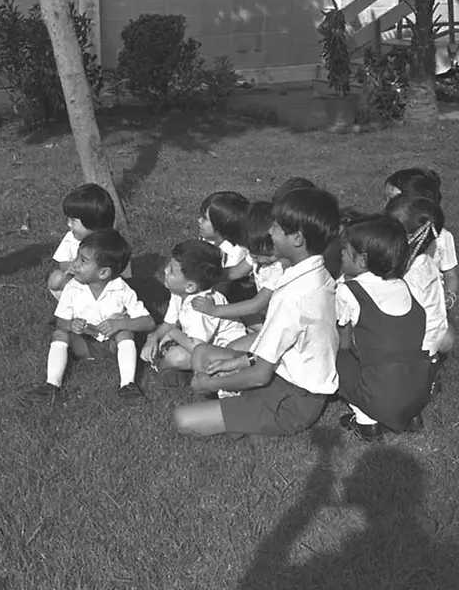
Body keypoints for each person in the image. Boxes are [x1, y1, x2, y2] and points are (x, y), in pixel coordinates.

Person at [173, 188, 341, 439]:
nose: (270, 231)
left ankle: (252, 422)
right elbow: (270, 351)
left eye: (275, 227)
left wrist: (210, 383)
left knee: (183, 420)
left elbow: (261, 374)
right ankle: (242, 415)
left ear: (296, 238)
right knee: (204, 354)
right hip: (284, 375)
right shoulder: (318, 273)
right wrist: (233, 363)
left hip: (293, 399)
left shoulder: (293, 296)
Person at [24, 229, 155, 403]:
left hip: (111, 346)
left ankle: (128, 386)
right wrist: (72, 325)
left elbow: (149, 322)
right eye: (77, 257)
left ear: (103, 273)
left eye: (82, 260)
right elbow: (60, 321)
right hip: (84, 345)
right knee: (59, 334)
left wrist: (120, 324)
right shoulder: (72, 287)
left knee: (125, 334)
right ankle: (52, 385)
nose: (75, 264)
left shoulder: (122, 290)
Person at [334, 216, 433, 441]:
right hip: (418, 387)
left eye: (345, 250)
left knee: (336, 357)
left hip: (380, 392)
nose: (340, 254)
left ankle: (365, 420)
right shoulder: (403, 285)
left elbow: (345, 341)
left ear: (362, 260)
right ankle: (410, 416)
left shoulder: (350, 291)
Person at [140, 239, 246, 388]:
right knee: (164, 339)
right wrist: (153, 338)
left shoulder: (200, 307)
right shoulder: (178, 293)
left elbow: (197, 348)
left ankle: (165, 368)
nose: (165, 271)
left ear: (190, 286)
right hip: (205, 346)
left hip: (228, 354)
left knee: (176, 357)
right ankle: (180, 371)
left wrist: (173, 334)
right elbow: (169, 322)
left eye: (171, 271)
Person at [192, 200, 287, 346]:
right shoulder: (257, 253)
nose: (256, 258)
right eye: (252, 253)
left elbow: (257, 304)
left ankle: (267, 343)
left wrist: (214, 310)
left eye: (264, 254)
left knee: (234, 346)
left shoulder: (280, 267)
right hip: (265, 315)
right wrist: (206, 276)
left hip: (281, 321)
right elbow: (236, 272)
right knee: (240, 313)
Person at [385, 195, 453, 359]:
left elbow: (401, 320)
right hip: (432, 343)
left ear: (407, 237)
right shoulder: (426, 263)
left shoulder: (408, 276)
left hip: (414, 352)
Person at [383, 167, 459, 307]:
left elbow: (451, 275)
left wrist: (449, 297)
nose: (386, 205)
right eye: (386, 199)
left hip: (430, 303)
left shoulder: (441, 237)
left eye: (392, 199)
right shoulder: (386, 235)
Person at [47, 183, 128, 300]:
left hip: (103, 290)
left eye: (73, 221)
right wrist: (73, 268)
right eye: (68, 219)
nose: (68, 224)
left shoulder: (112, 244)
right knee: (56, 278)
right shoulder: (71, 238)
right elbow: (63, 262)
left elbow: (124, 275)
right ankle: (73, 306)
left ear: (91, 222)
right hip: (77, 283)